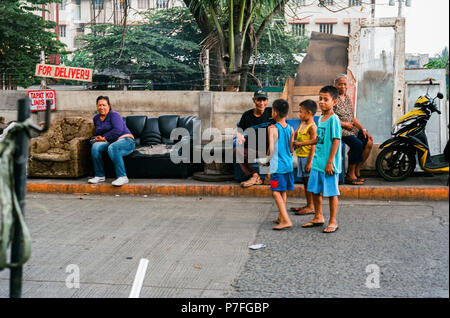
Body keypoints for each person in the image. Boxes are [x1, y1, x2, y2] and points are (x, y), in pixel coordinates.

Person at [302, 86, 341, 234]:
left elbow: (336, 140)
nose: (322, 102)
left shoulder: (334, 119)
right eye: (320, 99)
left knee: (331, 193)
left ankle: (333, 221)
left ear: (334, 101)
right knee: (315, 191)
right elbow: (318, 139)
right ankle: (318, 216)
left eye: (326, 99)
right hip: (318, 162)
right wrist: (301, 143)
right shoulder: (320, 118)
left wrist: (330, 161)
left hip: (328, 164)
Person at [334, 74, 373, 185]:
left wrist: (363, 129)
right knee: (357, 145)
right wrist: (345, 124)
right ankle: (350, 175)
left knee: (367, 140)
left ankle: (356, 169)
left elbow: (352, 117)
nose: (342, 86)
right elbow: (329, 118)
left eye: (344, 84)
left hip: (351, 128)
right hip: (340, 129)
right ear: (335, 85)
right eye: (340, 84)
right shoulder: (332, 99)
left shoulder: (347, 98)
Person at [88, 96, 135, 187]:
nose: (101, 107)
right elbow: (99, 132)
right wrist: (98, 138)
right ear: (96, 106)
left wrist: (104, 138)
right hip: (111, 141)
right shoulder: (96, 118)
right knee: (95, 147)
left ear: (109, 106)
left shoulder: (114, 115)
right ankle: (99, 175)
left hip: (125, 140)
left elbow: (118, 130)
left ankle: (122, 177)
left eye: (104, 105)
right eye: (99, 105)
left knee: (113, 147)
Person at [234, 88, 273, 188]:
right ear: (254, 100)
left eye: (264, 100)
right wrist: (239, 135)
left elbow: (282, 125)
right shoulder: (247, 115)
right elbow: (239, 129)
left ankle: (264, 176)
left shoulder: (271, 113)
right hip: (253, 149)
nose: (261, 103)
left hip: (268, 149)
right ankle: (255, 176)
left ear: (267, 101)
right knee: (236, 150)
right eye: (259, 100)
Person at [267, 99, 295, 230]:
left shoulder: (272, 128)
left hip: (277, 166)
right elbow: (291, 149)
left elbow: (271, 149)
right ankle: (281, 217)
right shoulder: (291, 128)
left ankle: (286, 220)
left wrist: (266, 162)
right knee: (282, 190)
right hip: (288, 164)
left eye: (272, 110)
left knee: (275, 192)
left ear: (275, 112)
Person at [290, 99, 318, 215]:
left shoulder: (312, 127)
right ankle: (308, 204)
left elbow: (313, 145)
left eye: (301, 112)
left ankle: (311, 206)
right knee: (305, 182)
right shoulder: (302, 124)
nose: (299, 114)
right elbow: (295, 135)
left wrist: (310, 162)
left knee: (309, 183)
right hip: (301, 156)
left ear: (309, 113)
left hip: (307, 158)